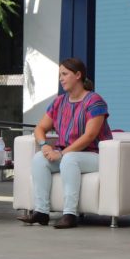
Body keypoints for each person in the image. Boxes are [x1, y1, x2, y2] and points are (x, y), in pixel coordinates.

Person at [17, 57, 112, 229]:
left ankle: (70, 214)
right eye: (60, 74)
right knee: (40, 159)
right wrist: (44, 144)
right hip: (68, 154)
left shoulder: (94, 101)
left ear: (78, 75)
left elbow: (90, 135)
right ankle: (42, 212)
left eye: (64, 74)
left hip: (95, 155)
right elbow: (40, 128)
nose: (61, 78)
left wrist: (61, 153)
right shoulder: (59, 102)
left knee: (70, 159)